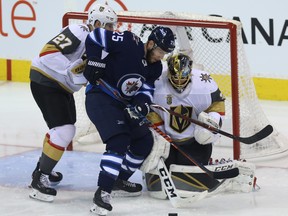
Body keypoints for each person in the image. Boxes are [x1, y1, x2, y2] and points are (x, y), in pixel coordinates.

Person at [29, 3, 118, 202]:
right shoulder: (79, 31)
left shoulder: (101, 44)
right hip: (46, 81)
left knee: (61, 131)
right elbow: (48, 53)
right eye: (109, 26)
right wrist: (71, 69)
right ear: (96, 23)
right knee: (64, 131)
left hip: (60, 87)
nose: (113, 30)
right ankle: (39, 179)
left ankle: (42, 169)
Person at [83, 26, 175, 214]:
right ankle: (103, 191)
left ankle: (119, 179)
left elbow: (146, 90)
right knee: (119, 141)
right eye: (159, 51)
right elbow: (95, 36)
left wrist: (141, 105)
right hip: (100, 96)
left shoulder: (155, 67)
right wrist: (94, 60)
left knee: (144, 141)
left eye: (165, 53)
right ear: (150, 44)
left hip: (123, 106)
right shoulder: (128, 42)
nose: (161, 56)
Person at [144, 53, 256, 199]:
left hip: (194, 143)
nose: (179, 82)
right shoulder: (157, 82)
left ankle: (204, 163)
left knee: (189, 166)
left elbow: (217, 104)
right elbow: (148, 108)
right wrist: (158, 133)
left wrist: (211, 122)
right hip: (168, 143)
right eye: (175, 78)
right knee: (156, 177)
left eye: (183, 78)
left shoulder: (203, 82)